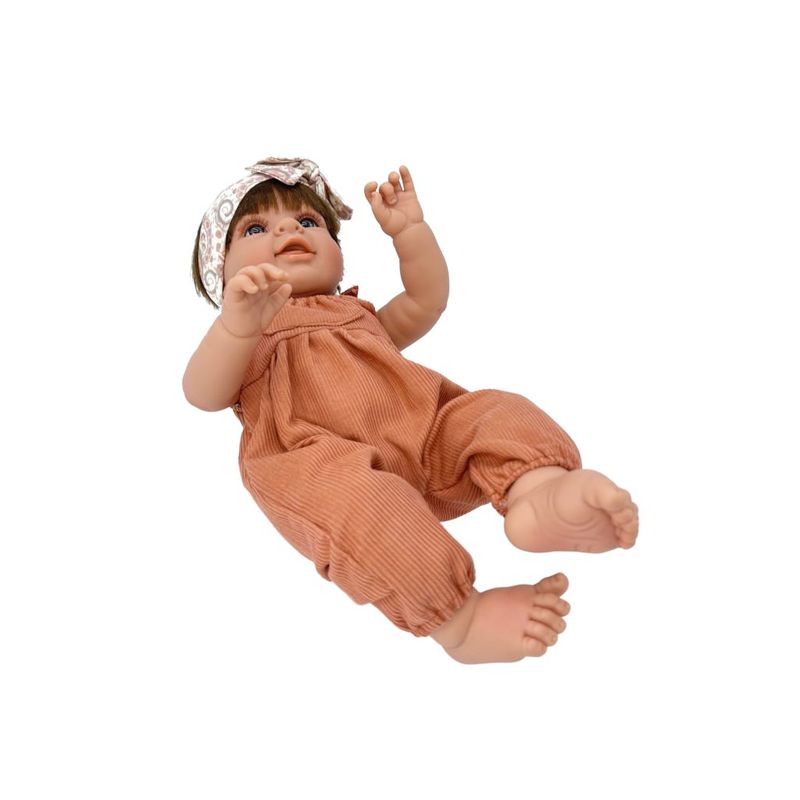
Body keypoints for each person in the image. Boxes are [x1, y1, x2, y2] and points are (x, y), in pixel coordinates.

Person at [183, 157, 639, 664]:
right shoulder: (243, 339)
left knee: (493, 412)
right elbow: (202, 393)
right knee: (366, 514)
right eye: (255, 228)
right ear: (221, 274)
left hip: (425, 435)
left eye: (308, 221)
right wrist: (236, 326)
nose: (290, 230)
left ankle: (539, 493)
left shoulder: (359, 316)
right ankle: (462, 622)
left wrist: (410, 234)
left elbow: (427, 300)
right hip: (317, 460)